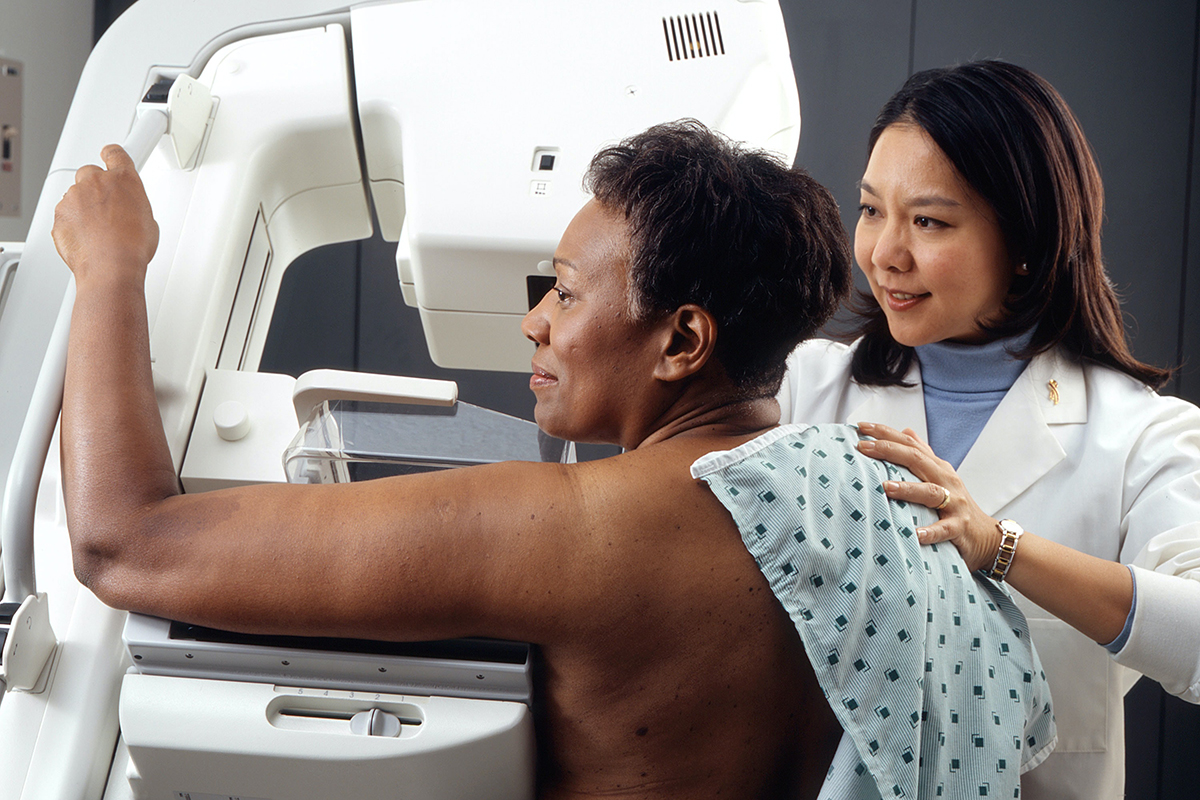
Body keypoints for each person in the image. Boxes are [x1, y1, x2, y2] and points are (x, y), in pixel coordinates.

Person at [53, 120, 1052, 800]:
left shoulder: (582, 527)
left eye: (567, 293)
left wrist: (110, 269)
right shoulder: (888, 497)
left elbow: (124, 542)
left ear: (682, 340)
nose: (534, 320)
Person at [777, 60, 1200, 800]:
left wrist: (1000, 548)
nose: (883, 254)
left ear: (1026, 241)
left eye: (929, 221)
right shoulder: (803, 387)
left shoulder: (1141, 436)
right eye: (872, 210)